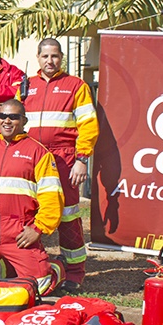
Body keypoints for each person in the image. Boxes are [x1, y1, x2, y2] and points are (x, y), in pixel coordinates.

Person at [0, 100, 63, 291]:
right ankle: (3, 265)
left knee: (40, 287)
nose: (7, 121)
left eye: (13, 117)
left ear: (24, 121)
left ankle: (56, 268)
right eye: (2, 116)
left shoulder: (39, 153)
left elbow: (52, 196)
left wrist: (38, 229)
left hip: (19, 231)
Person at [22, 38, 98, 292]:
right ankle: (32, 267)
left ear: (61, 57)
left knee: (68, 215)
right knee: (29, 213)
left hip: (64, 159)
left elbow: (88, 125)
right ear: (38, 58)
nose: (50, 61)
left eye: (55, 56)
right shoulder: (25, 86)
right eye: (45, 56)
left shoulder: (76, 85)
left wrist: (82, 159)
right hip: (32, 159)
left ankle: (74, 272)